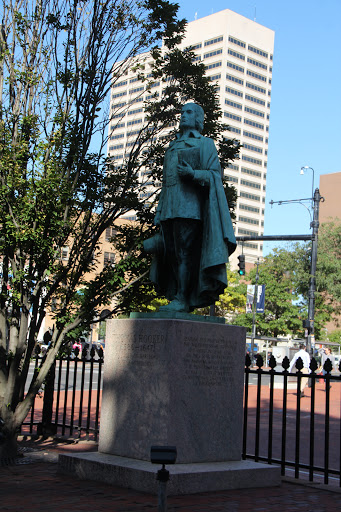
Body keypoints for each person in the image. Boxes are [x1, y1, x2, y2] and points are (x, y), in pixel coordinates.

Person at [144, 102, 236, 312]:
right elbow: (165, 184)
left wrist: (193, 174)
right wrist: (159, 211)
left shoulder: (205, 144)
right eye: (182, 112)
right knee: (172, 255)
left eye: (189, 112)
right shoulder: (172, 146)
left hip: (191, 208)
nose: (183, 116)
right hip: (169, 208)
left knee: (184, 253)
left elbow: (214, 176)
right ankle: (178, 296)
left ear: (197, 118)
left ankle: (182, 298)